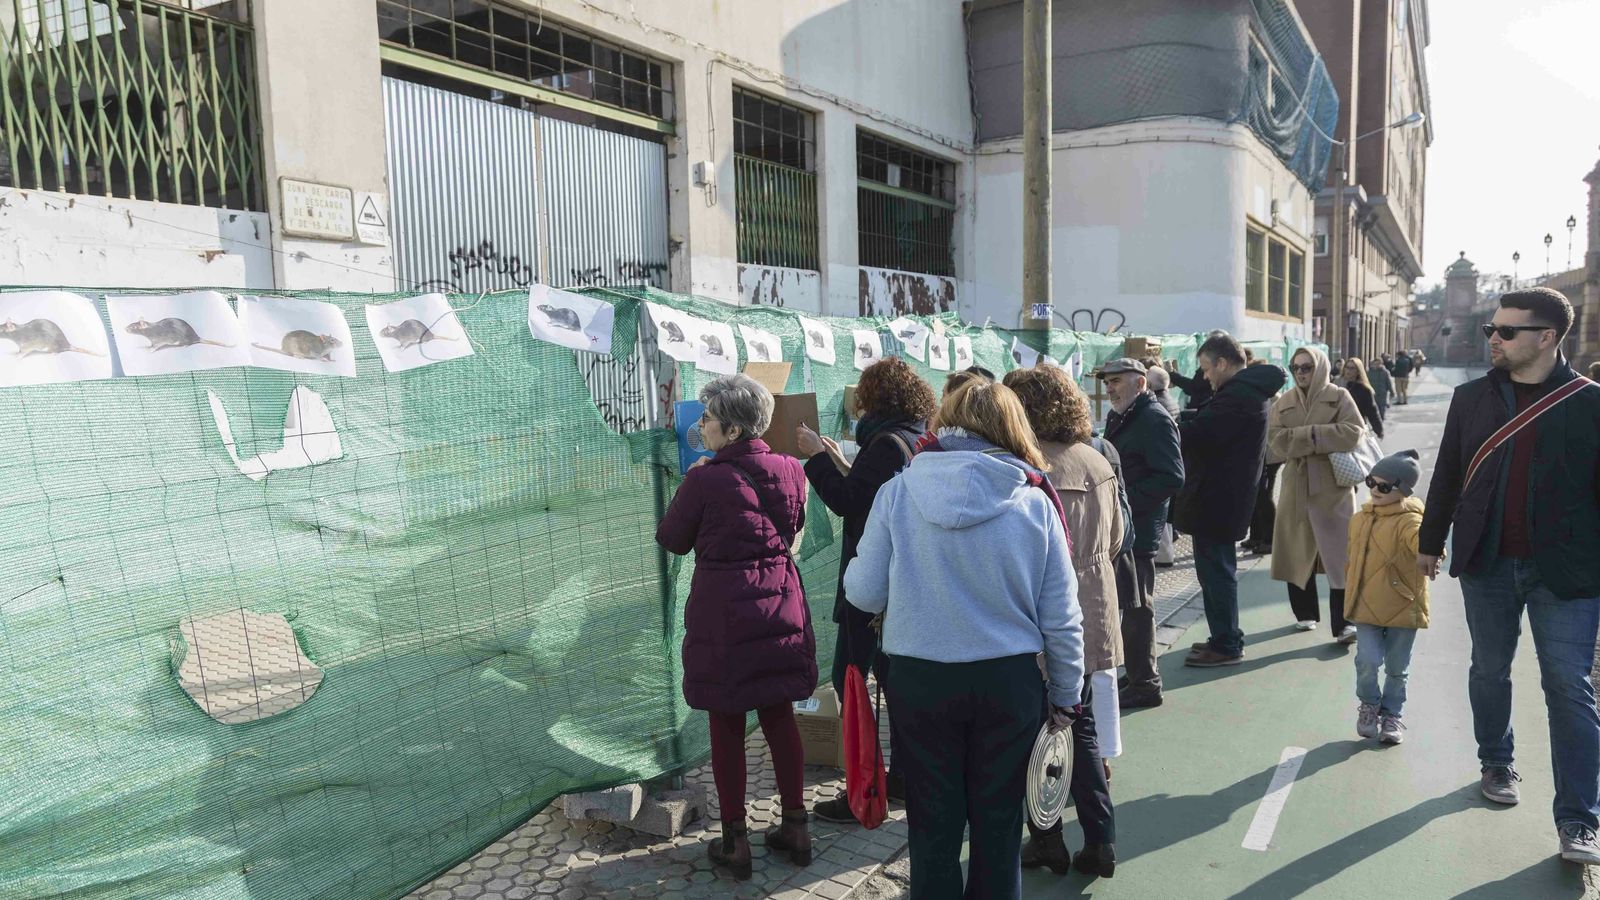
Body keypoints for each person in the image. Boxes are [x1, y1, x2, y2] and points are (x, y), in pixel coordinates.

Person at [844, 380, 1085, 900]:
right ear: (1013, 427)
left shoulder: (899, 491)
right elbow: (1063, 618)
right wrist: (1066, 696)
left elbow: (862, 593)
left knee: (931, 824)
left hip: (920, 675)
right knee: (998, 826)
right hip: (1008, 680)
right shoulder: (1034, 501)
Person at [1418, 288, 1600, 865]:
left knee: (1569, 689)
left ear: (1547, 338)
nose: (1492, 337)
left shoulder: (1591, 403)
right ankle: (1496, 761)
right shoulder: (1471, 398)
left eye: (1506, 331)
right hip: (1487, 562)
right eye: (1491, 328)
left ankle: (1579, 820)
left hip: (1567, 574)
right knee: (1489, 670)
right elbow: (1447, 471)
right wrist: (1430, 543)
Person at [655, 374, 817, 882]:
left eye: (706, 418)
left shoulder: (704, 479)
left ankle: (735, 842)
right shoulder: (792, 469)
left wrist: (691, 482)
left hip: (724, 612)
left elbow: (673, 539)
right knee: (779, 715)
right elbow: (790, 529)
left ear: (729, 427)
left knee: (726, 724)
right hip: (779, 605)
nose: (699, 426)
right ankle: (796, 827)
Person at [795, 357, 935, 824]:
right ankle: (902, 777)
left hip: (873, 585)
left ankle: (865, 784)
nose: (856, 405)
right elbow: (867, 490)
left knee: (851, 679)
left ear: (876, 398)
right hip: (903, 582)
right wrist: (838, 459)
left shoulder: (887, 444)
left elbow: (850, 502)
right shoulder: (913, 436)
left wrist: (815, 457)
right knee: (894, 683)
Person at [1006, 365, 1123, 879]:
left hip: (1039, 613)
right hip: (1093, 609)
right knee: (1083, 728)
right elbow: (1118, 538)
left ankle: (1047, 837)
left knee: (1038, 731)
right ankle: (1101, 840)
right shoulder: (1096, 460)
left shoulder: (1024, 466)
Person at [1174, 334, 1286, 667]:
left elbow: (1201, 434)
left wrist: (1171, 422)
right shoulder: (1242, 393)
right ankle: (1223, 636)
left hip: (1218, 500)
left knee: (1217, 575)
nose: (1205, 376)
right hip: (1221, 498)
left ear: (1222, 363)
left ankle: (1226, 644)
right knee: (1215, 574)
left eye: (1207, 369)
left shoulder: (1238, 396)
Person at [1101, 358, 1184, 704]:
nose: (1109, 388)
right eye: (1107, 382)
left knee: (1137, 609)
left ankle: (1145, 684)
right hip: (1127, 525)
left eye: (1116, 381)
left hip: (1139, 529)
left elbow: (1173, 476)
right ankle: (1137, 676)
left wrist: (1123, 500)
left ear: (1140, 383)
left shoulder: (1152, 418)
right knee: (1130, 607)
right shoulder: (1123, 415)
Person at [1268, 347, 1364, 642]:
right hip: (1295, 486)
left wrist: (1305, 437)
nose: (1300, 372)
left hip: (1333, 486)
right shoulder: (1283, 402)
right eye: (1295, 367)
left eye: (1307, 366)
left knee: (1340, 556)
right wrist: (1319, 436)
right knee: (1295, 550)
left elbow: (1353, 433)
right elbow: (1275, 442)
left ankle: (1344, 624)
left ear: (1319, 367)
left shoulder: (1340, 396)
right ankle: (1305, 613)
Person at [1344, 450, 1428, 745]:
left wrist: (1433, 551)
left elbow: (1424, 544)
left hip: (1402, 605)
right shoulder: (1359, 519)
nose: (1374, 490)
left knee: (1396, 668)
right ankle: (1369, 705)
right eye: (1371, 482)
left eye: (1383, 486)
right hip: (1364, 604)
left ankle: (1391, 714)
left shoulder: (1410, 521)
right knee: (1366, 660)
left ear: (1402, 490)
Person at [1243, 358, 1286, 557]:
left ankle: (1270, 539)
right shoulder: (1259, 395)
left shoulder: (1275, 399)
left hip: (1271, 455)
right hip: (1260, 453)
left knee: (1264, 496)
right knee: (1255, 495)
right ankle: (1257, 535)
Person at [1340, 357, 1386, 439]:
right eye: (1347, 367)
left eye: (1352, 368)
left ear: (1358, 371)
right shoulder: (1337, 384)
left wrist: (1379, 430)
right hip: (1338, 426)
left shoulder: (1364, 389)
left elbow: (1372, 411)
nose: (1348, 370)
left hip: (1356, 427)